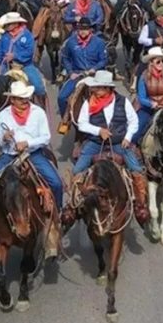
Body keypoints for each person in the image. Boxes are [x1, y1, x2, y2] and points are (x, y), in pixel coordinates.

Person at [63, 70, 149, 227]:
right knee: (77, 170)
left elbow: (133, 121)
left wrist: (127, 137)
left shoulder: (123, 102)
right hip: (95, 143)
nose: (95, 91)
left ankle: (140, 205)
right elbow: (82, 123)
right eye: (95, 88)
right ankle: (73, 205)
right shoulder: (89, 102)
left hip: (118, 143)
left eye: (99, 88)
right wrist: (98, 131)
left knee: (136, 169)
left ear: (108, 88)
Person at [0, 81, 62, 211]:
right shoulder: (3, 116)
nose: (25, 101)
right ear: (12, 99)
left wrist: (27, 143)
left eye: (26, 97)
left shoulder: (38, 112)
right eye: (21, 98)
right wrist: (4, 138)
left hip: (33, 154)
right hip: (9, 156)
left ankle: (59, 213)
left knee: (56, 183)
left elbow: (46, 137)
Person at [57, 17, 107, 121]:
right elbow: (65, 58)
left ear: (90, 30)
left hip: (95, 75)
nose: (83, 31)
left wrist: (94, 68)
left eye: (85, 29)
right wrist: (70, 72)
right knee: (61, 98)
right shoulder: (71, 42)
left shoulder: (99, 43)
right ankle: (65, 121)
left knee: (109, 97)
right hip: (77, 74)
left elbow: (103, 60)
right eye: (80, 29)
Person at [0, 12, 46, 98]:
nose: (6, 26)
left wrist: (14, 56)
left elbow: (29, 52)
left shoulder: (27, 35)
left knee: (39, 88)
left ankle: (40, 106)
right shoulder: (5, 36)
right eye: (6, 24)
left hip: (25, 66)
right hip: (6, 65)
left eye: (9, 24)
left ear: (16, 23)